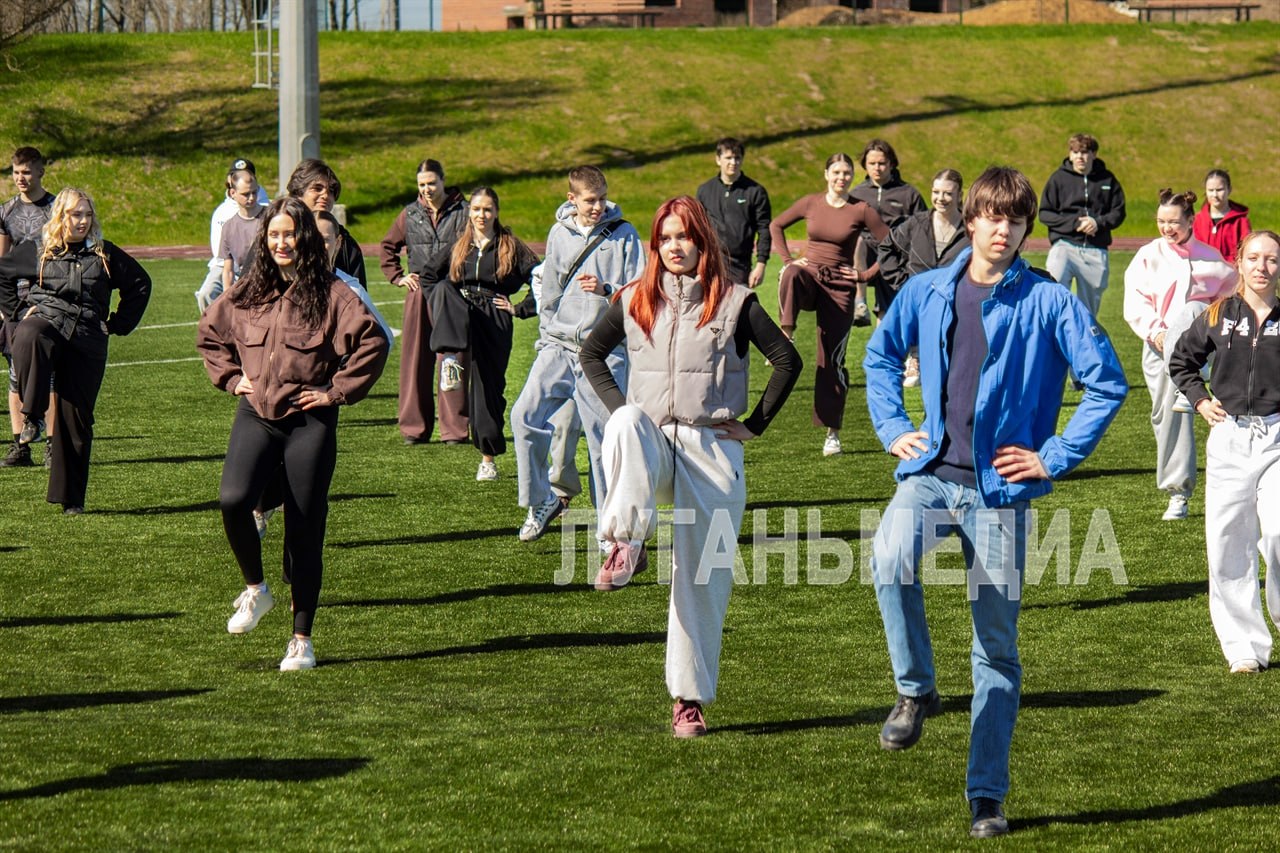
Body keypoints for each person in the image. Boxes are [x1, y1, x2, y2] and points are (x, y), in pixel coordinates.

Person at [863, 167, 1127, 838]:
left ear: (1024, 229)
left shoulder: (1050, 301)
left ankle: (987, 795)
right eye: (994, 217)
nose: (1004, 229)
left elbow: (1107, 383)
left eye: (1016, 220)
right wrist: (895, 428)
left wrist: (1055, 453)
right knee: (889, 557)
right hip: (930, 475)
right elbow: (878, 356)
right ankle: (916, 688)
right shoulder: (927, 290)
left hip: (1000, 494)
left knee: (996, 650)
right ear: (972, 221)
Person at [579, 195, 800, 737]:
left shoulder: (736, 302)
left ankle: (689, 700)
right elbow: (591, 355)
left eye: (686, 237)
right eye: (667, 238)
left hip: (711, 447)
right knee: (626, 422)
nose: (676, 247)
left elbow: (787, 360)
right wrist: (618, 406)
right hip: (651, 438)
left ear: (704, 243)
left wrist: (755, 424)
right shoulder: (634, 298)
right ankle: (625, 541)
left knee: (700, 580)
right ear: (656, 245)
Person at [196, 198, 388, 671]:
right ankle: (256, 590)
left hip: (309, 422)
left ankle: (301, 638)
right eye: (274, 234)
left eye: (290, 234)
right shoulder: (247, 290)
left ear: (304, 237)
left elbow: (373, 342)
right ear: (264, 239)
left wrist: (335, 392)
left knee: (304, 528)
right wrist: (229, 377)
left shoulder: (333, 293)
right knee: (233, 499)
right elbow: (209, 334)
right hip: (256, 413)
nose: (281, 243)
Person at [511, 165, 645, 542]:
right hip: (557, 345)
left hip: (602, 352)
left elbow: (641, 292)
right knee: (523, 417)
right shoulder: (558, 233)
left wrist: (606, 289)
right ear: (572, 199)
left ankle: (609, 529)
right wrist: (547, 337)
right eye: (590, 200)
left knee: (603, 444)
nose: (598, 206)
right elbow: (549, 291)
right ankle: (542, 501)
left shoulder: (624, 235)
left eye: (602, 198)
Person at [0, 188, 152, 514]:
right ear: (61, 217)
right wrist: (16, 312)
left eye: (87, 215)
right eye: (75, 214)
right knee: (28, 333)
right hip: (49, 322)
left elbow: (140, 284)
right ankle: (33, 416)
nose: (82, 221)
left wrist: (117, 324)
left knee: (76, 422)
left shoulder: (104, 254)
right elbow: (2, 273)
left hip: (87, 338)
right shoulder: (39, 250)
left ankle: (72, 501)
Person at [1169, 230, 1280, 675]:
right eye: (1253, 257)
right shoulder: (1217, 314)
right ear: (1238, 261)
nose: (1261, 267)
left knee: (1276, 535)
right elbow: (1181, 360)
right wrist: (1198, 398)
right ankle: (1244, 647)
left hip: (1277, 438)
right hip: (1230, 437)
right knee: (1227, 545)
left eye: (1271, 259)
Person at [1123, 189, 1236, 522]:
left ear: (1190, 220)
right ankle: (1178, 493)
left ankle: (1191, 382)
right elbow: (1136, 299)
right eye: (1161, 221)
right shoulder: (1146, 256)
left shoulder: (1212, 259)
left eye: (1174, 221)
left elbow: (1232, 298)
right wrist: (1156, 330)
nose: (1166, 228)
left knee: (1193, 309)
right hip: (1157, 346)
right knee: (1165, 417)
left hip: (1204, 349)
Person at [769, 152, 889, 457]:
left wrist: (864, 274)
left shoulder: (861, 210)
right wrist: (786, 260)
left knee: (830, 361)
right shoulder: (811, 203)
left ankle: (832, 433)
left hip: (840, 290)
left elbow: (891, 246)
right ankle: (786, 335)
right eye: (836, 172)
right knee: (793, 272)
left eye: (847, 173)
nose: (842, 178)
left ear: (852, 176)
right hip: (811, 277)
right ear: (826, 175)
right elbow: (776, 226)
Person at [424, 187, 537, 482]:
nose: (481, 215)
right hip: (461, 312)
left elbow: (542, 279)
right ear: (469, 212)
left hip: (494, 314)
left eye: (487, 209)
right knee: (445, 288)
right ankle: (449, 359)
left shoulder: (510, 245)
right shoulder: (460, 244)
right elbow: (429, 276)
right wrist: (440, 305)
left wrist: (519, 308)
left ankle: (487, 459)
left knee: (488, 388)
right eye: (476, 209)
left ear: (496, 212)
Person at [379, 159, 470, 445]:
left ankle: (455, 429)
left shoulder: (464, 212)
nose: (427, 189)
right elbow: (387, 247)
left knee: (452, 359)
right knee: (415, 360)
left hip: (451, 291)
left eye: (432, 183)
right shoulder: (410, 213)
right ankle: (414, 428)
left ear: (443, 181)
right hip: (419, 292)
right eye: (422, 184)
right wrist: (398, 277)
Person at [876, 168, 970, 387]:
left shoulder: (970, 229)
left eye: (947, 193)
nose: (941, 198)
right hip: (922, 303)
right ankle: (916, 357)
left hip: (956, 304)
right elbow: (886, 248)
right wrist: (902, 283)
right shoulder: (916, 224)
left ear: (959, 195)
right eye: (936, 192)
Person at [0, 146, 56, 468]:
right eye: (16, 172)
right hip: (15, 304)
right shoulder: (5, 212)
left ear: (40, 172)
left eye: (27, 172)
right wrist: (4, 307)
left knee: (49, 376)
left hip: (48, 299)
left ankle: (52, 444)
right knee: (15, 375)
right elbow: (2, 263)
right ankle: (20, 446)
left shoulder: (55, 209)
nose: (21, 178)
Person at [1038, 132, 1126, 318]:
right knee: (1053, 291)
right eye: (1075, 152)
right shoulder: (1058, 179)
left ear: (1094, 154)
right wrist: (1074, 223)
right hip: (1065, 246)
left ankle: (1081, 343)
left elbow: (1119, 212)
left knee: (1088, 313)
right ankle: (1052, 335)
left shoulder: (1107, 179)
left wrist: (1098, 222)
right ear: (1070, 154)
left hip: (1096, 250)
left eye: (1084, 152)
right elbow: (1044, 213)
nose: (1080, 157)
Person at [850, 138, 926, 322]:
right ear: (865, 165)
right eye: (872, 163)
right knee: (857, 241)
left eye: (882, 163)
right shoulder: (856, 194)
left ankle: (884, 341)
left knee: (889, 313)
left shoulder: (909, 193)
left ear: (891, 163)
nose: (877, 167)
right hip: (864, 253)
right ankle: (860, 303)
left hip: (896, 253)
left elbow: (924, 227)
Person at [695, 137, 771, 288]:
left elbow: (764, 229)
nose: (733, 162)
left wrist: (761, 264)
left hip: (740, 267)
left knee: (737, 310)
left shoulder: (755, 192)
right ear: (718, 159)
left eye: (737, 158)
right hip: (710, 263)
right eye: (728, 157)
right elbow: (696, 227)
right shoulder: (704, 191)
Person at [195, 158, 269, 313]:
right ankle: (214, 329)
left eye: (253, 192)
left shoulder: (268, 212)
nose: (251, 197)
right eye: (233, 174)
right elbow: (222, 258)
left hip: (260, 269)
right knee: (206, 294)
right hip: (225, 266)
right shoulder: (223, 214)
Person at [286, 158, 366, 288]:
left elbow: (359, 298)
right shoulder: (278, 234)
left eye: (331, 191)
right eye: (317, 188)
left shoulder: (346, 243)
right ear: (298, 193)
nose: (325, 195)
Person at [217, 169, 266, 294]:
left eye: (255, 192)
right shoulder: (228, 227)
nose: (252, 198)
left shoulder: (272, 216)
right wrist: (227, 298)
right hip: (245, 289)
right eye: (246, 194)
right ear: (233, 193)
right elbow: (228, 270)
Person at [1192, 169, 1252, 267]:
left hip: (1231, 276)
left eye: (1219, 190)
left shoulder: (1241, 221)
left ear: (1229, 189)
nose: (1215, 195)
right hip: (1203, 276)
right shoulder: (1197, 220)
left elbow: (1246, 251)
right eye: (1210, 190)